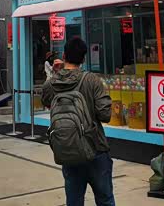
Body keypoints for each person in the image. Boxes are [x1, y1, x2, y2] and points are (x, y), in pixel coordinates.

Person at [41, 37, 114, 206]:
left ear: (64, 56)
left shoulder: (52, 83)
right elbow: (105, 114)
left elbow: (46, 101)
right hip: (95, 147)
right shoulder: (91, 80)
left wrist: (54, 74)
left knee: (73, 201)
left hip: (67, 148)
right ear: (84, 59)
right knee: (105, 199)